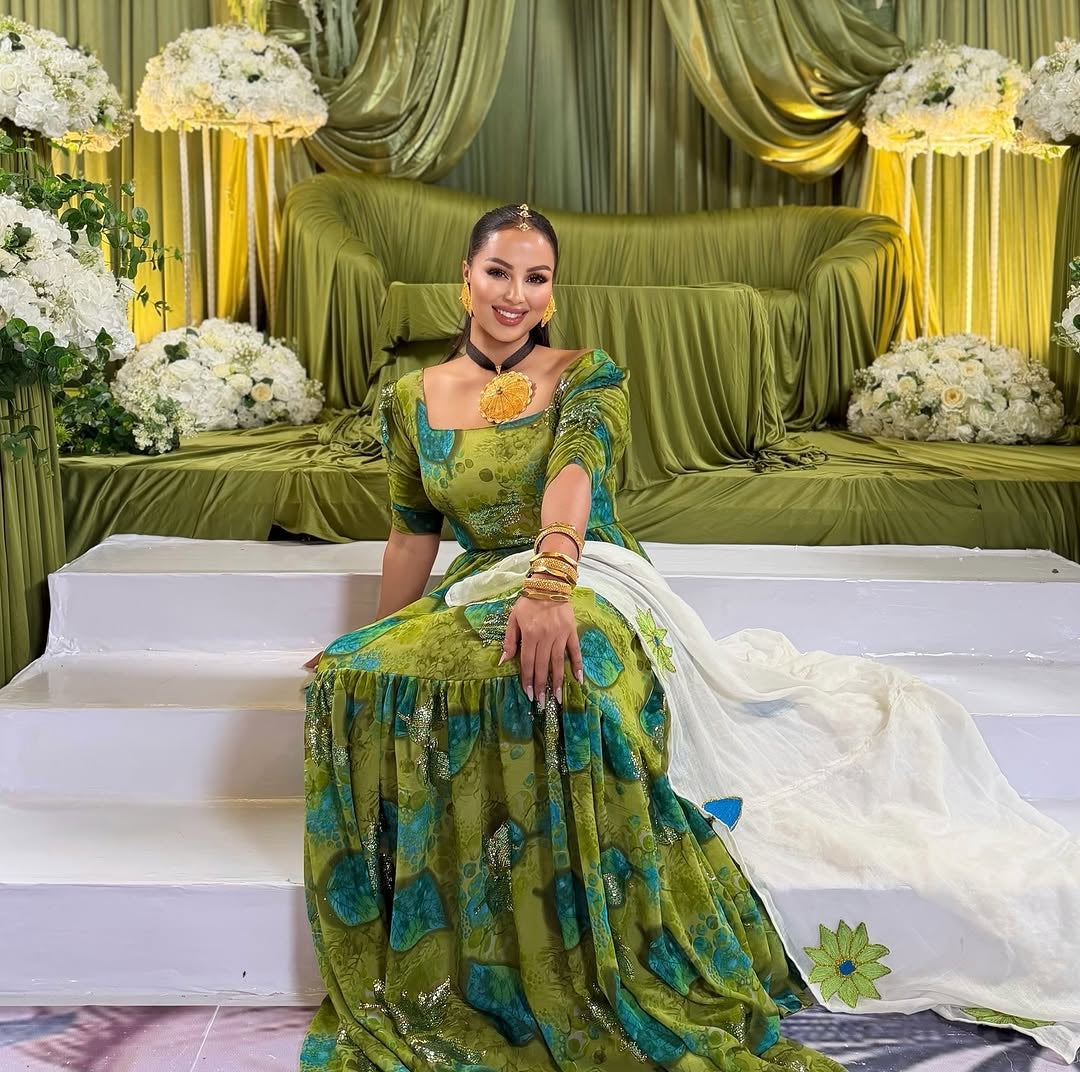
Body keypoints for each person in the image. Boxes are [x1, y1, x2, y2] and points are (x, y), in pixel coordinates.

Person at [302, 203, 1080, 1072]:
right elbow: (412, 533)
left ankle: (597, 938)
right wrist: (372, 636)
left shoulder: (585, 375)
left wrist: (551, 581)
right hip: (478, 577)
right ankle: (454, 942)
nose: (515, 293)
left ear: (553, 291)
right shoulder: (411, 400)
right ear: (465, 279)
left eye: (536, 276)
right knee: (355, 675)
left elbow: (573, 474)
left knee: (574, 668)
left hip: (590, 571)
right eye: (498, 272)